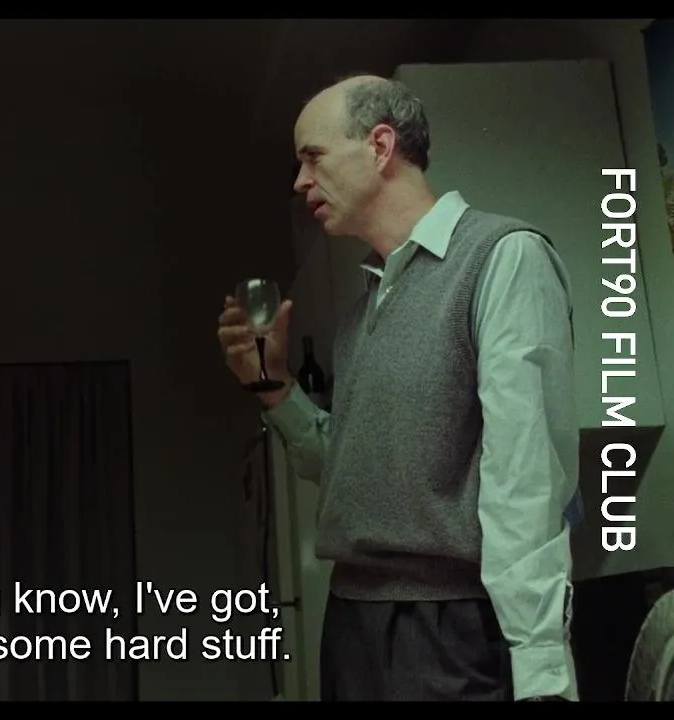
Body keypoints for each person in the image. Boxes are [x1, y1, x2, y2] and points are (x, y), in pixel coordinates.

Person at [218, 75, 580, 701]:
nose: (300, 182)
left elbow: (526, 478)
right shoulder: (363, 313)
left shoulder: (502, 257)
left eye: (313, 157)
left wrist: (541, 669)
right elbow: (352, 473)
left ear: (380, 146)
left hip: (448, 629)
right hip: (351, 623)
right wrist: (274, 388)